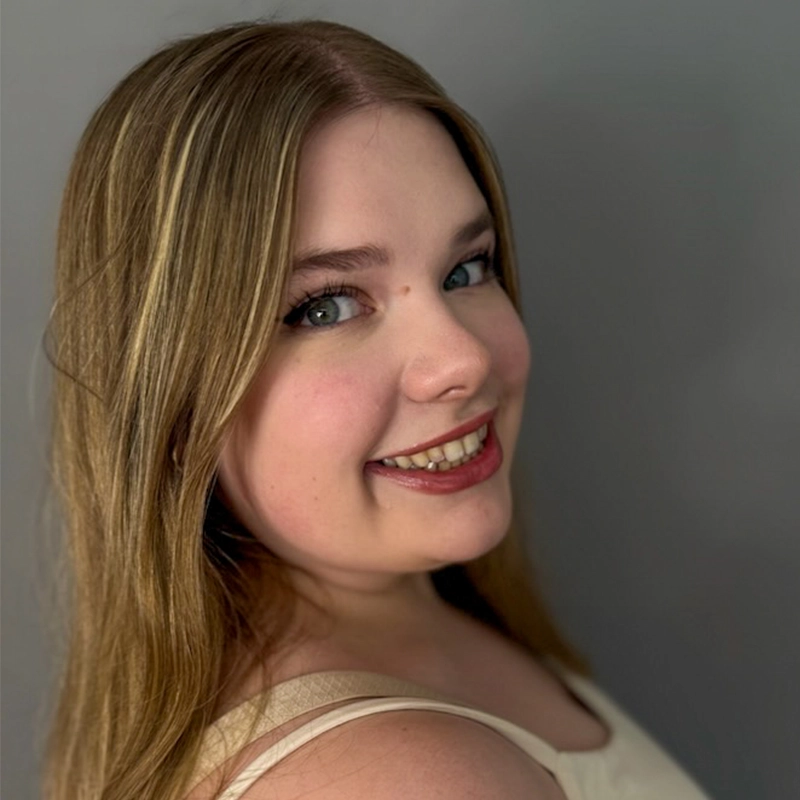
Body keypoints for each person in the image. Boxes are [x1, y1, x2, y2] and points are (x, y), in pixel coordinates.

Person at [44, 20, 711, 800]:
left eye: (467, 268)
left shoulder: (424, 627)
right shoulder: (410, 778)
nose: (463, 358)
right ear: (174, 392)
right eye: (326, 306)